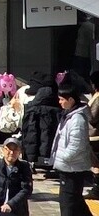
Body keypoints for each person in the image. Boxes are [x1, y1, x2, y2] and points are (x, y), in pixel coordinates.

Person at [50, 82, 92, 216]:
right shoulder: (69, 115)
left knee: (68, 205)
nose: (60, 102)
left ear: (71, 100)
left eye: (62, 99)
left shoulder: (77, 119)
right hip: (69, 168)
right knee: (77, 203)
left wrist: (61, 158)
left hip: (72, 169)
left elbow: (76, 146)